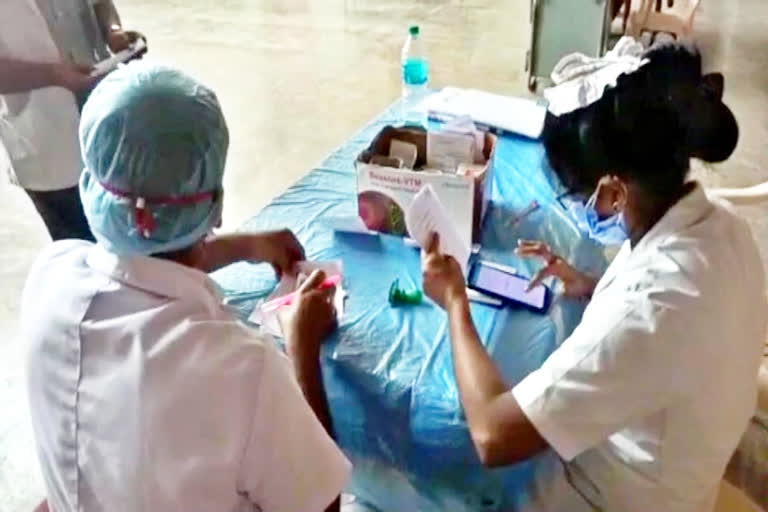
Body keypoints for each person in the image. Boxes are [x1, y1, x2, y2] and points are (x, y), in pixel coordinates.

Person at [421, 43, 767, 512]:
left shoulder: (652, 309)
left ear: (614, 189)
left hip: (610, 499)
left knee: (435, 470)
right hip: (682, 469)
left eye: (578, 196)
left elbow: (493, 434)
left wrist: (455, 301)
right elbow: (665, 315)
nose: (578, 208)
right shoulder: (724, 226)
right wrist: (592, 282)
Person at [21, 62, 350, 511]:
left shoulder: (51, 274)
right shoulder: (241, 368)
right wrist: (302, 349)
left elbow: (133, 261)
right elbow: (320, 506)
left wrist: (243, 246)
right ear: (214, 208)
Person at [0, 0, 142, 242]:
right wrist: (54, 75)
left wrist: (114, 33)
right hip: (45, 139)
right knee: (80, 252)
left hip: (108, 118)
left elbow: (100, 4)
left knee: (139, 244)